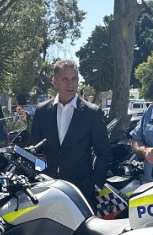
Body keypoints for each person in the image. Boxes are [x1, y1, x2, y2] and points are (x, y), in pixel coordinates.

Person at [30, 59, 111, 204]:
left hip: (81, 192)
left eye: (74, 79)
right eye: (65, 79)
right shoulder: (42, 111)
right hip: (47, 191)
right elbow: (36, 151)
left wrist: (93, 184)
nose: (71, 84)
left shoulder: (91, 113)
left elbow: (104, 153)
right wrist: (40, 175)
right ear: (54, 81)